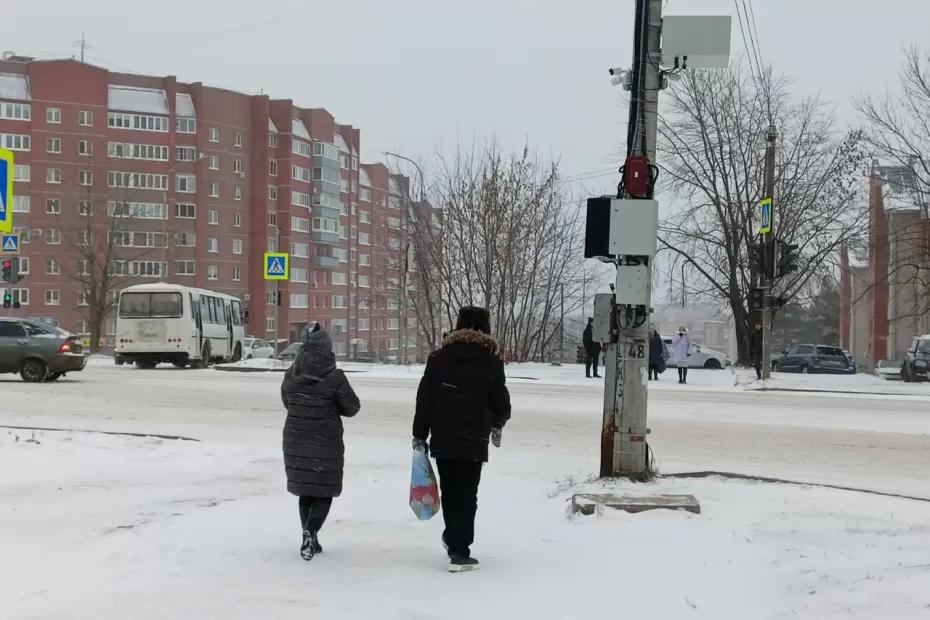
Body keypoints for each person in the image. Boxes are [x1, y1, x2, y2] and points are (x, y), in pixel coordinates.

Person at [413, 306, 512, 573]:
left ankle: (454, 539)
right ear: (485, 328)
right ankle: (459, 549)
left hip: (444, 436)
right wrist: (496, 422)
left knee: (450, 491)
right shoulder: (491, 362)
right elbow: (501, 403)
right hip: (473, 438)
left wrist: (419, 435)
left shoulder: (438, 359)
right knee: (468, 493)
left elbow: (425, 400)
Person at [281, 323, 361, 562]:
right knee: (323, 491)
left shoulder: (291, 372)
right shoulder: (334, 376)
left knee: (305, 490)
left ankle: (310, 538)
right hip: (325, 441)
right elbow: (352, 407)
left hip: (296, 438)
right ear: (328, 348)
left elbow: (287, 401)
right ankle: (312, 530)